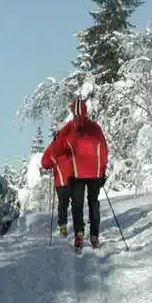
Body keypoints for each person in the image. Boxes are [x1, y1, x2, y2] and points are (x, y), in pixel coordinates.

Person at [47, 98, 109, 249]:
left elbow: (56, 149)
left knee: (77, 204)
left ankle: (79, 234)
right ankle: (94, 235)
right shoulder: (95, 127)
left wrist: (56, 159)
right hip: (95, 173)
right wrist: (102, 171)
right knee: (93, 202)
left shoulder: (69, 128)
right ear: (86, 110)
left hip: (78, 174)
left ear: (72, 111)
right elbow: (104, 150)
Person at [40, 129, 74, 237]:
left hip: (61, 181)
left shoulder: (53, 146)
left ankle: (63, 225)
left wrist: (52, 164)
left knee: (63, 205)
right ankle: (79, 227)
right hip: (75, 179)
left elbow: (44, 163)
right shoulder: (71, 143)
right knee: (77, 203)